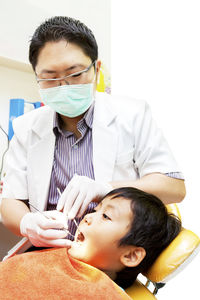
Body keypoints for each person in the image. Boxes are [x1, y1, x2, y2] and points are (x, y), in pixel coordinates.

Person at [1, 16, 185, 250]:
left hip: (108, 258)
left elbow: (174, 187)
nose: (64, 87)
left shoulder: (132, 114)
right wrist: (27, 223)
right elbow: (10, 203)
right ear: (37, 77)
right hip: (49, 253)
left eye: (75, 74)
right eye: (50, 78)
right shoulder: (26, 127)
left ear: (96, 69)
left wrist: (107, 188)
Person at [0, 187, 181, 300]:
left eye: (105, 216)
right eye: (95, 209)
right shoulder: (57, 254)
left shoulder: (104, 294)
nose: (88, 217)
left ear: (130, 255)